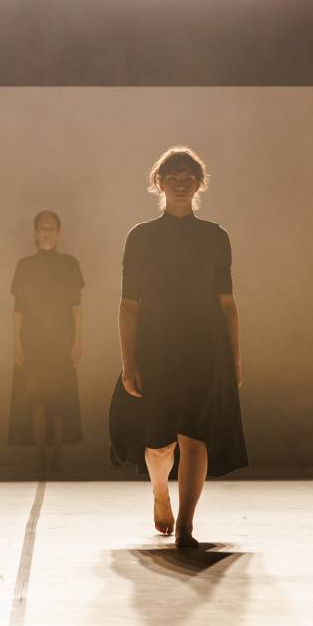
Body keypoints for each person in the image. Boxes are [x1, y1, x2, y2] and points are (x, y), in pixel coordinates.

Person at [110, 147, 248, 548]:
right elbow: (128, 304)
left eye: (188, 178)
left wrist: (234, 357)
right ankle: (159, 493)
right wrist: (128, 360)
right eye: (172, 178)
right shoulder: (141, 236)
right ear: (159, 184)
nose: (181, 184)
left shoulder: (215, 236)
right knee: (158, 444)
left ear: (199, 184)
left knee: (194, 436)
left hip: (205, 347)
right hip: (156, 346)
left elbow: (227, 303)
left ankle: (187, 524)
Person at [9, 210, 85, 475]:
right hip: (33, 340)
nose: (47, 232)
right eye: (43, 227)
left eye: (52, 227)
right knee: (37, 399)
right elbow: (18, 309)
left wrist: (77, 342)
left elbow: (77, 308)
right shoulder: (25, 265)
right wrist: (17, 344)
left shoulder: (69, 264)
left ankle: (58, 457)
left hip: (62, 340)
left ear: (59, 232)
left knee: (61, 399)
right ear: (36, 231)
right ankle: (40, 455)